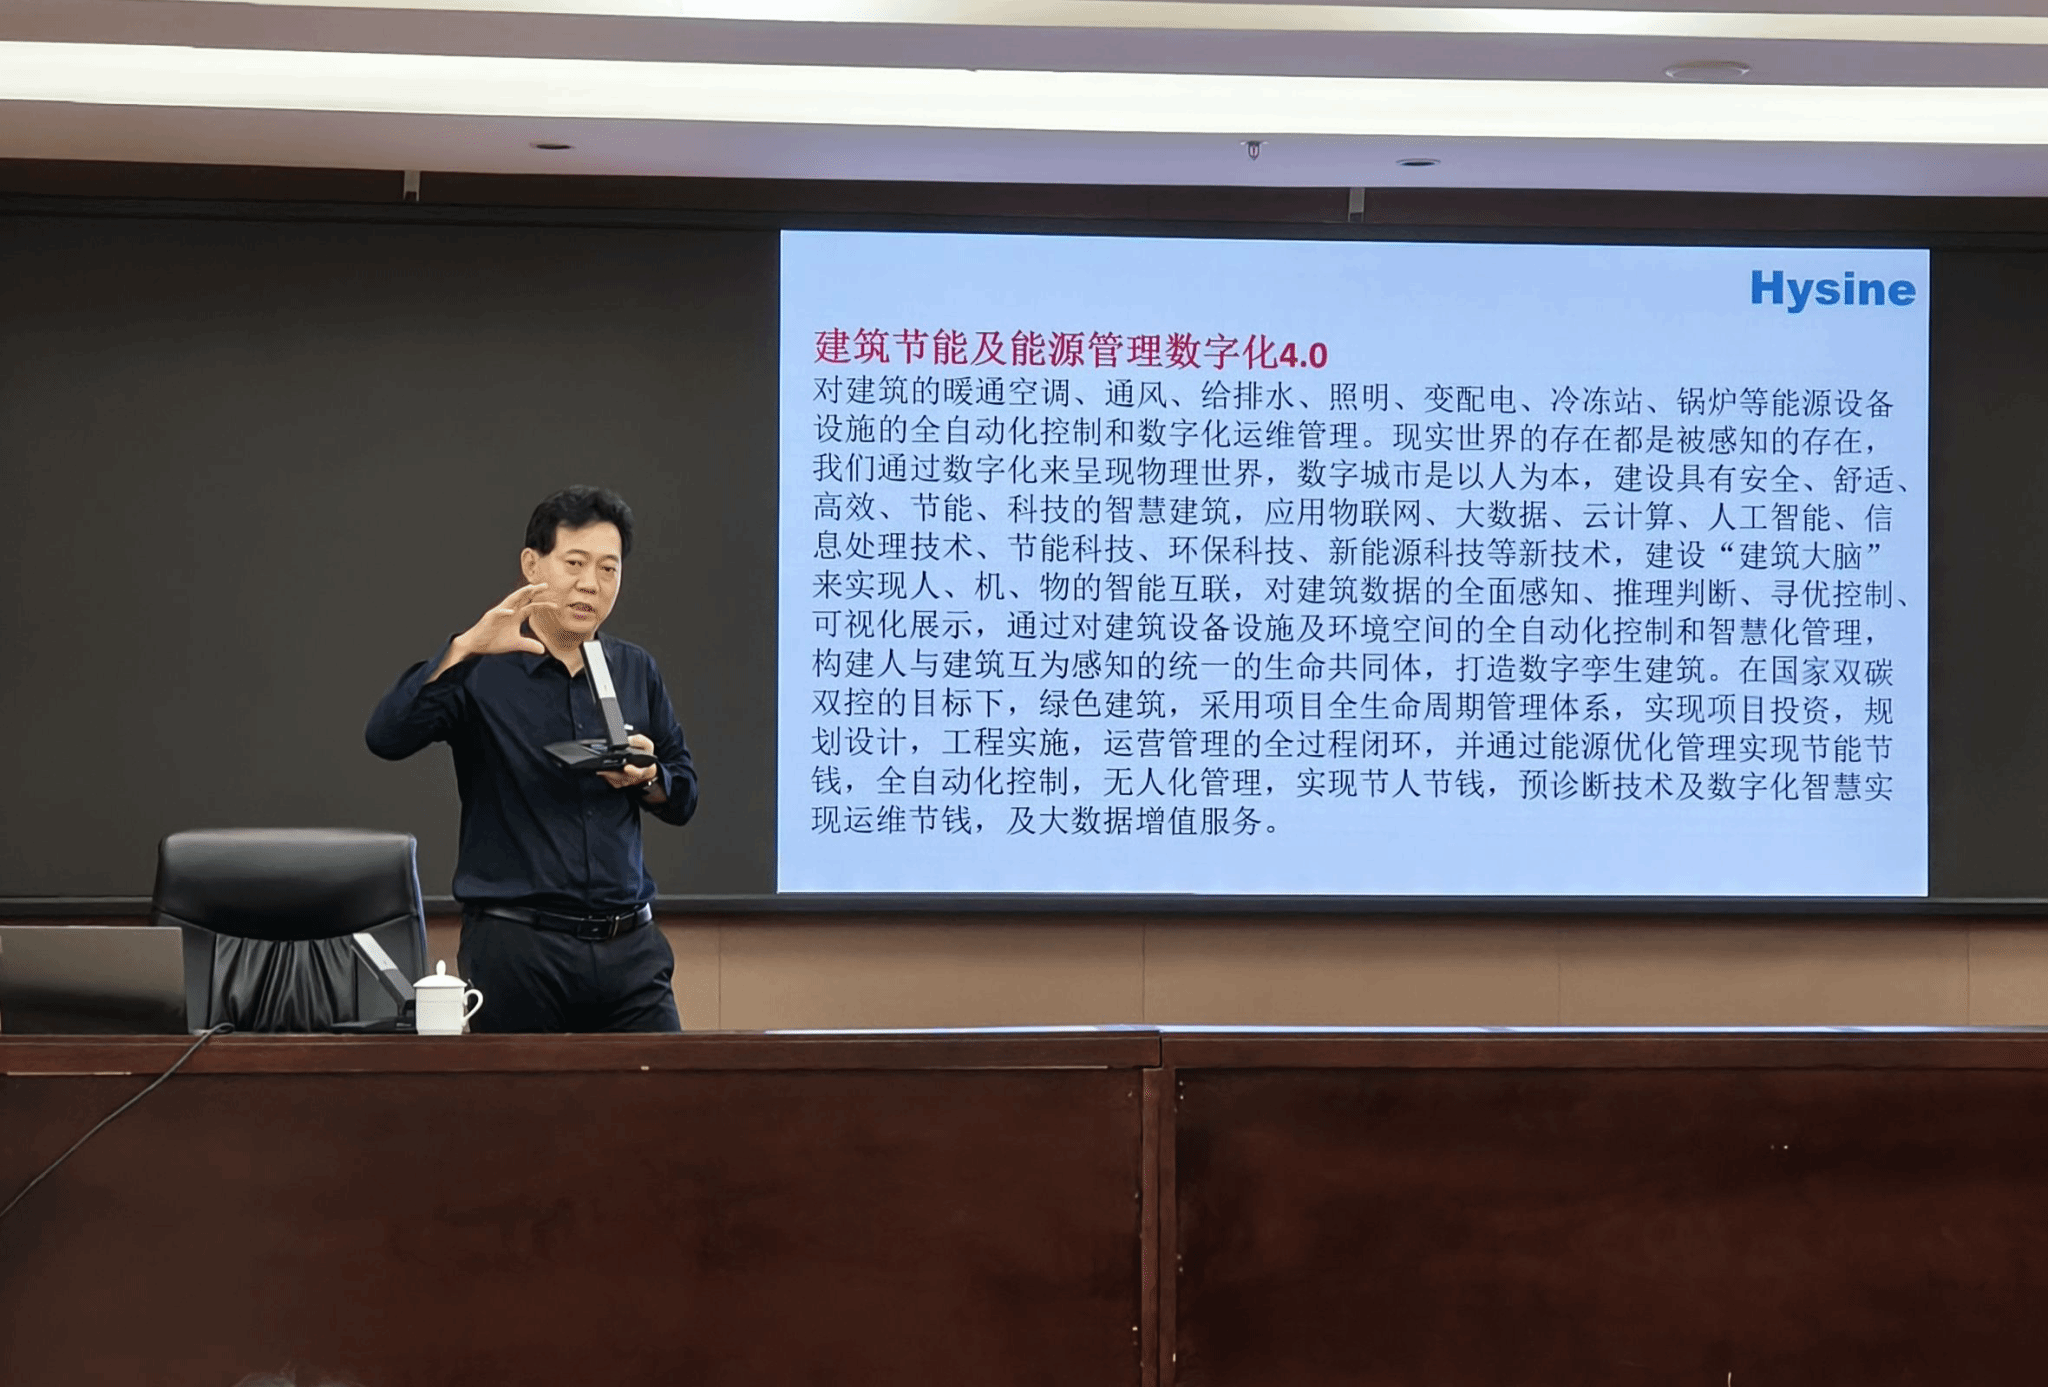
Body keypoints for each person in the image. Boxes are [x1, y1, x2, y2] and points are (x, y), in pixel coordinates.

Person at [366, 486, 697, 1032]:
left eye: (609, 569)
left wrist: (649, 776)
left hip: (631, 950)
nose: (591, 584)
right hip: (518, 947)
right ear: (531, 565)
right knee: (521, 1092)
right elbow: (386, 736)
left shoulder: (636, 669)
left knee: (664, 1086)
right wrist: (463, 649)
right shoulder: (481, 669)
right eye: (575, 563)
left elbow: (683, 792)